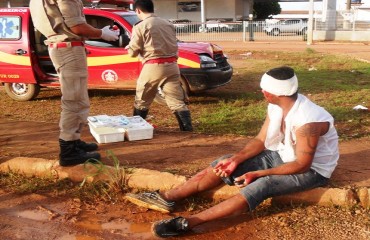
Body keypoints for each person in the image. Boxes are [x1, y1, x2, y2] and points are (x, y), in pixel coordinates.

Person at [124, 66, 340, 238]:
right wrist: (235, 160)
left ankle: (189, 223)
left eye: (265, 90)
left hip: (312, 170)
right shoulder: (276, 106)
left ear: (274, 93)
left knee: (263, 184)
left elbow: (302, 164)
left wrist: (258, 174)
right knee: (225, 162)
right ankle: (168, 197)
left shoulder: (308, 121)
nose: (262, 92)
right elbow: (260, 140)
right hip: (282, 155)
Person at [29, 0, 119, 166]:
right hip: (68, 48)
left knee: (76, 98)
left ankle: (73, 141)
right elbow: (77, 27)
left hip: (62, 47)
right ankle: (68, 150)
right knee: (75, 100)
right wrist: (102, 33)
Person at [127, 0, 193, 131]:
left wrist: (129, 48)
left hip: (153, 66)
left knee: (142, 100)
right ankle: (187, 129)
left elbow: (133, 53)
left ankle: (136, 129)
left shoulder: (140, 26)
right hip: (172, 65)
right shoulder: (167, 23)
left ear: (138, 11)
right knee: (176, 100)